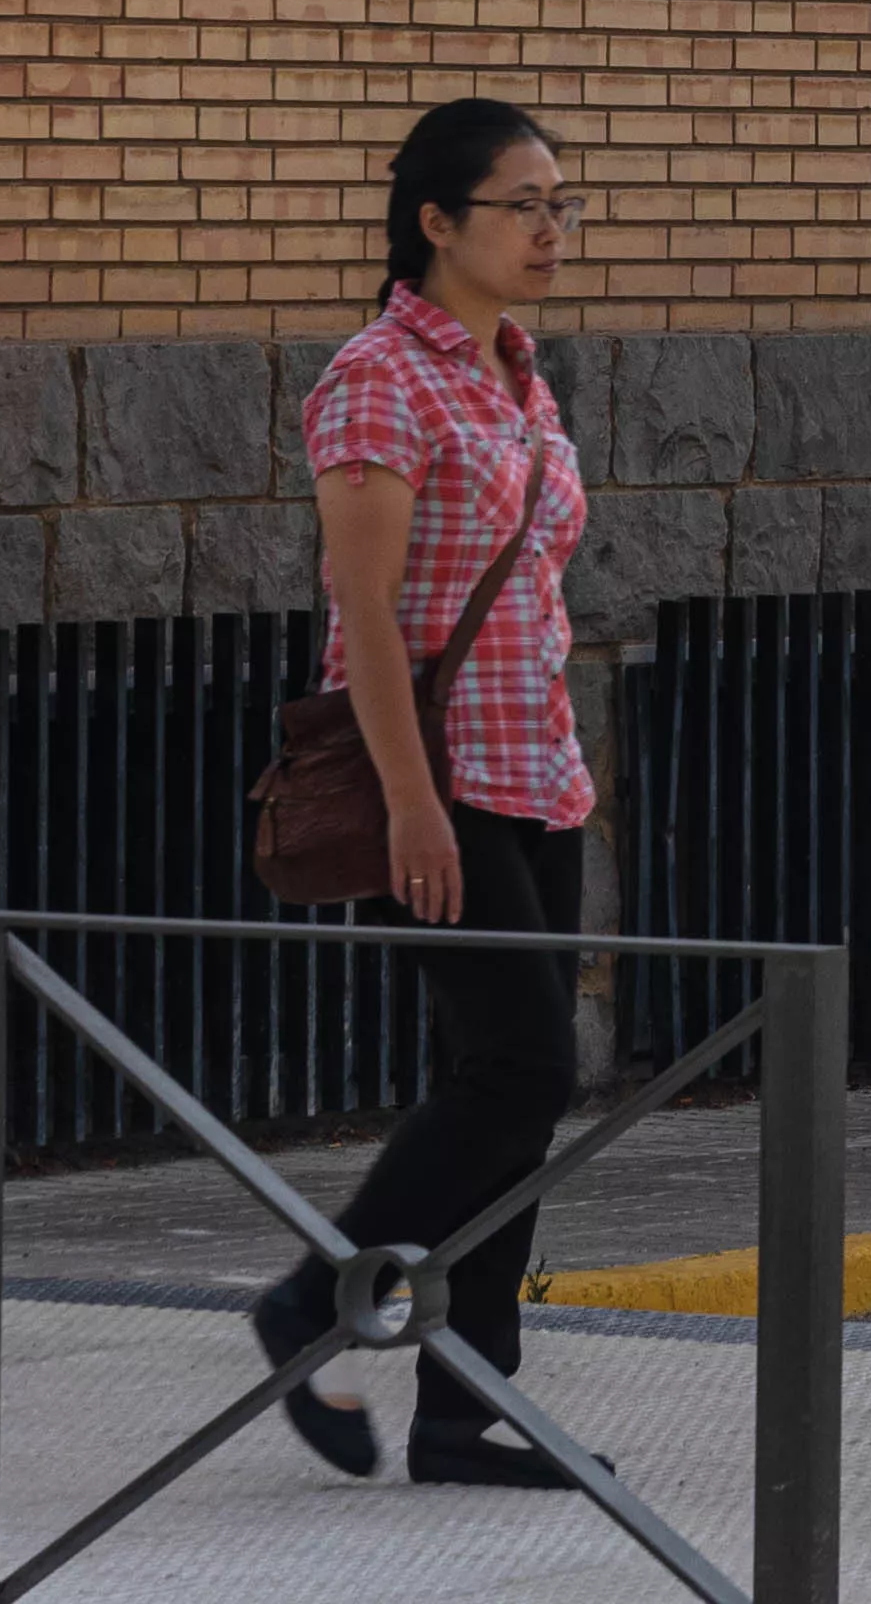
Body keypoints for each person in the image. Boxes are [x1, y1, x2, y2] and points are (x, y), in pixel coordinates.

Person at [250, 98, 593, 1488]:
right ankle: (310, 1301)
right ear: (438, 221)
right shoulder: (379, 376)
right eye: (526, 204)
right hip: (435, 784)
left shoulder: (519, 371)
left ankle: (462, 1405)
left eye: (565, 204)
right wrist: (408, 804)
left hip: (535, 773)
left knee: (504, 1088)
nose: (553, 230)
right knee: (523, 1064)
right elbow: (370, 617)